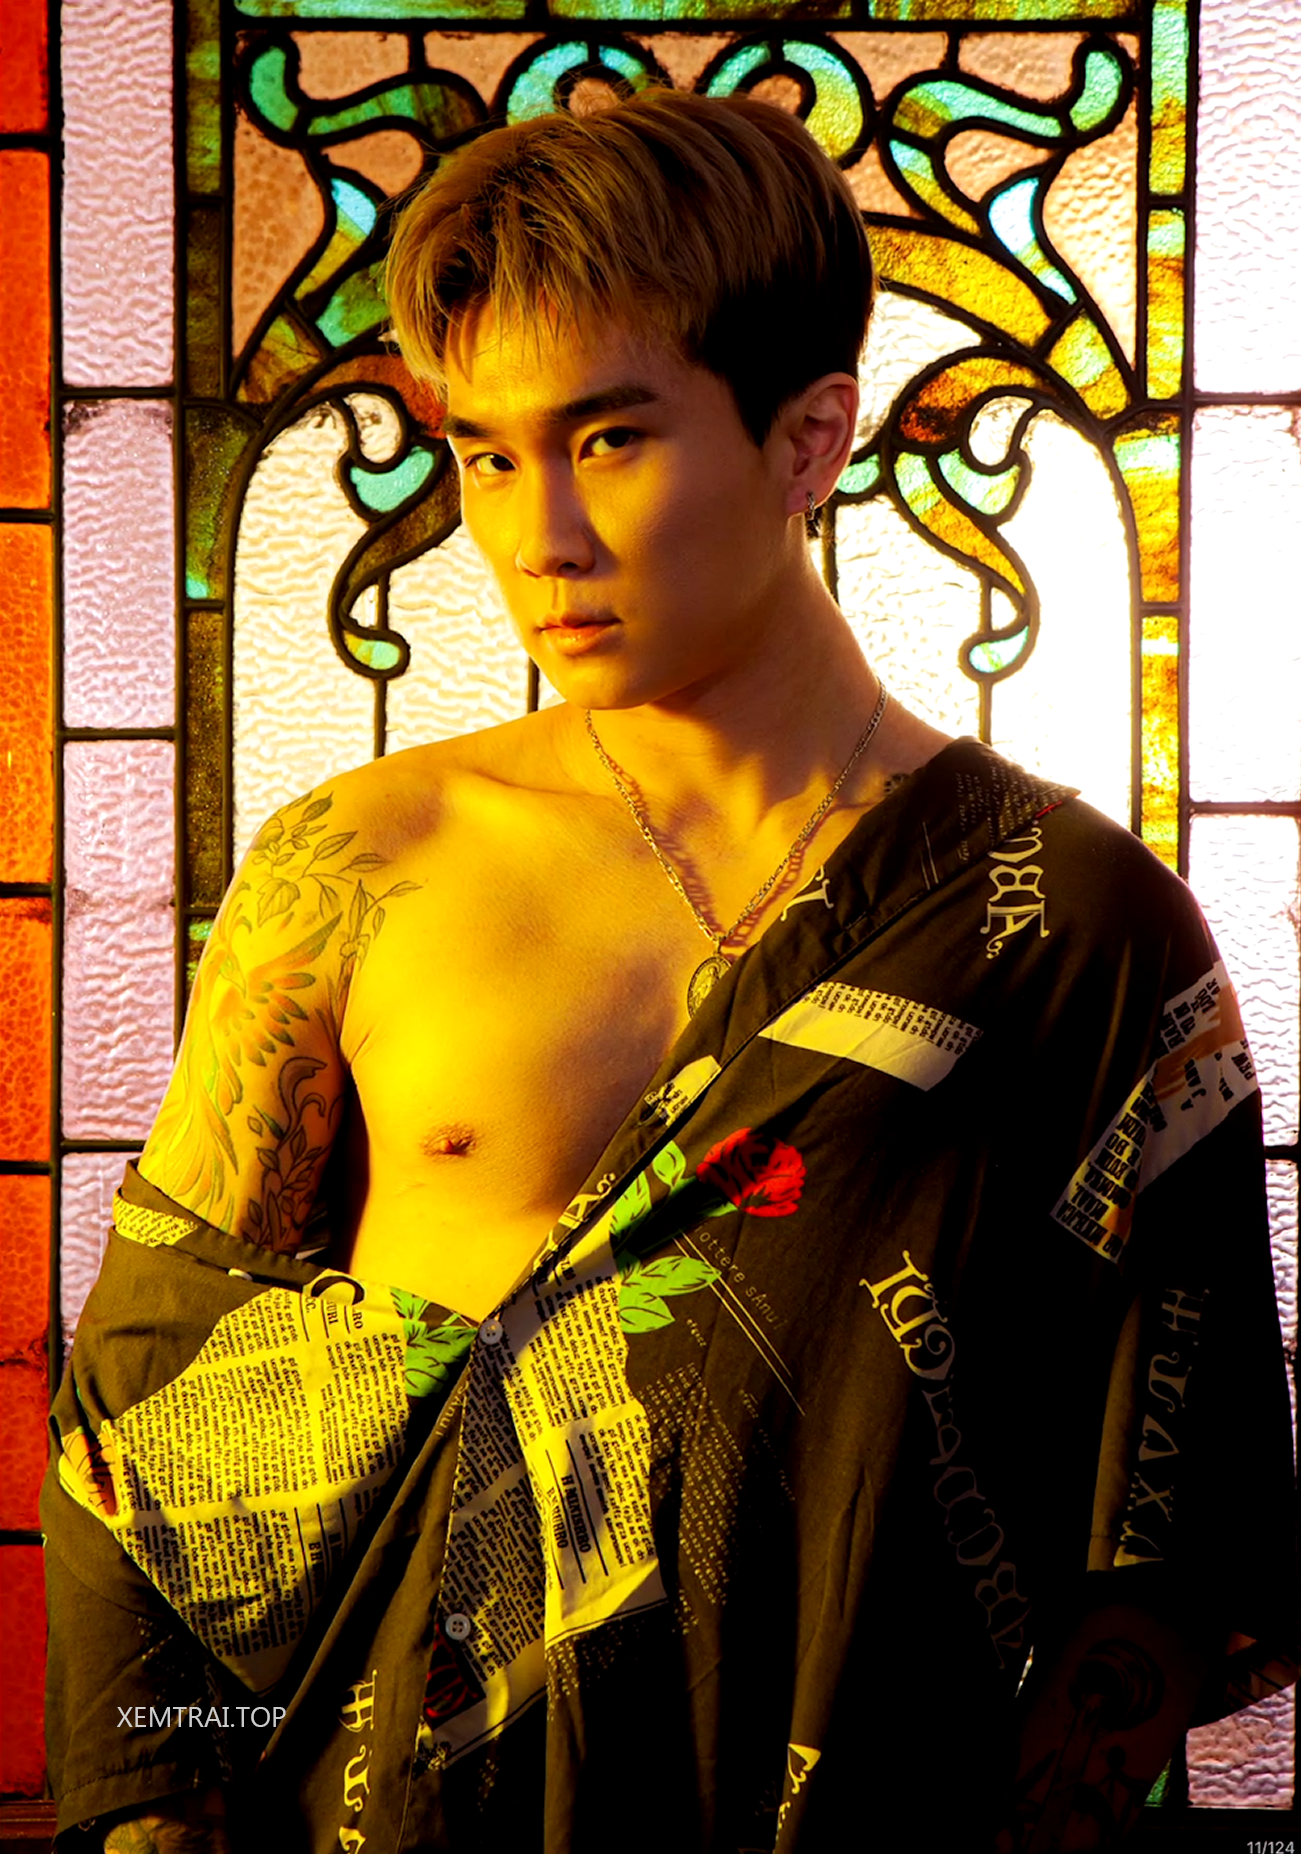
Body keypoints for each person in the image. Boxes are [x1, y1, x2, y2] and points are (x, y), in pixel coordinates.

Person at [44, 89, 1295, 1854]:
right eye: (487, 454)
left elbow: (1154, 1558)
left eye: (611, 439)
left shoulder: (1075, 925)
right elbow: (139, 1437)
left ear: (812, 438)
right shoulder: (359, 865)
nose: (531, 534)